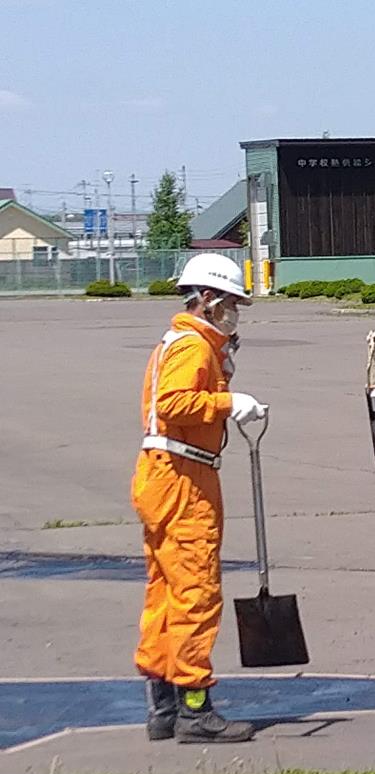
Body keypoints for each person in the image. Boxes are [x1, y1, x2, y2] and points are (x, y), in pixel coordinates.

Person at [133, 254, 267, 743]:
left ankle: (163, 706)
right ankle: (195, 709)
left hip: (165, 474)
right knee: (196, 592)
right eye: (231, 303)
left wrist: (223, 372)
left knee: (165, 592)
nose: (236, 313)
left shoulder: (184, 342)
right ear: (208, 299)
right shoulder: (192, 346)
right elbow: (174, 404)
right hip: (184, 477)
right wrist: (230, 402)